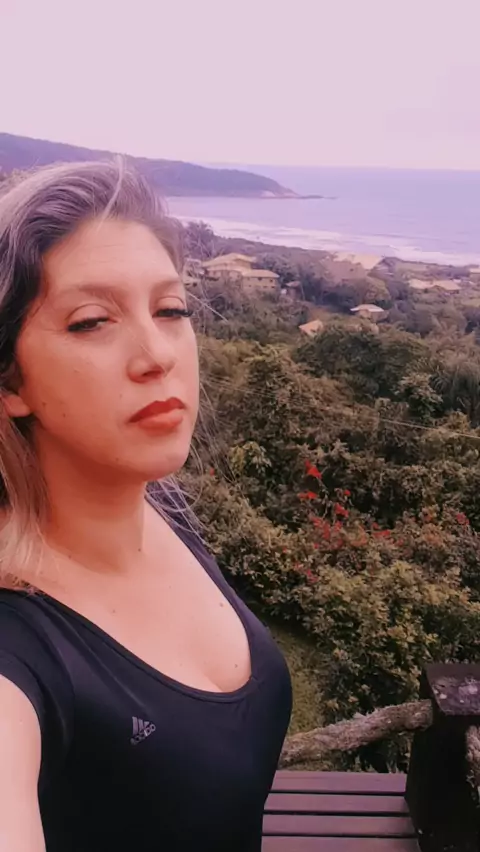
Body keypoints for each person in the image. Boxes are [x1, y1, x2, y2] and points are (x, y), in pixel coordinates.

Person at [0, 161, 292, 852]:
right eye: (92, 321)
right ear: (10, 382)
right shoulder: (17, 647)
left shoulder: (160, 506)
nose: (157, 354)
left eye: (170, 310)